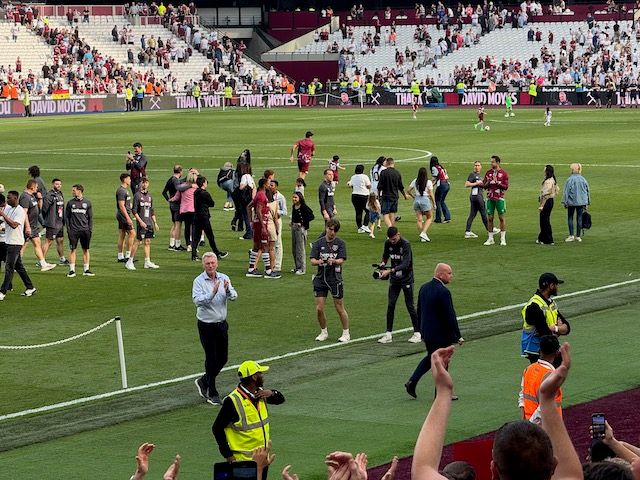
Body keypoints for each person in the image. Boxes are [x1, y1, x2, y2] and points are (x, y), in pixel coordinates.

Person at [411, 344, 583, 480]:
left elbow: (422, 469)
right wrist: (547, 399)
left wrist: (443, 392)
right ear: (554, 465)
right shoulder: (569, 473)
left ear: (493, 470)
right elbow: (572, 474)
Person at [405, 263, 464, 399]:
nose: (451, 276)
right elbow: (449, 315)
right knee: (443, 361)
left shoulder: (424, 288)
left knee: (431, 357)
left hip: (428, 333)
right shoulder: (443, 292)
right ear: (440, 274)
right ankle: (442, 393)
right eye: (449, 273)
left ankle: (412, 382)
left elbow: (419, 310)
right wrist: (458, 335)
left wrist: (420, 329)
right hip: (441, 334)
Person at [212, 361, 285, 467]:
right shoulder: (232, 401)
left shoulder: (260, 394)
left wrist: (272, 393)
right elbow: (217, 428)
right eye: (260, 373)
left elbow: (280, 400)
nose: (263, 376)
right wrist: (228, 455)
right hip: (243, 462)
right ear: (254, 377)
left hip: (261, 460)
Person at [192, 252, 238, 405]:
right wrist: (212, 293)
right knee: (211, 358)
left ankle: (204, 380)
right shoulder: (198, 281)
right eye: (207, 264)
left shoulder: (224, 278)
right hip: (206, 325)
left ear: (216, 263)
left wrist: (227, 291)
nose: (210, 266)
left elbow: (234, 296)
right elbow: (198, 301)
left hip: (221, 324)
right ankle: (212, 391)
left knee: (223, 358)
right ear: (203, 265)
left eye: (212, 263)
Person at [377, 227, 421, 344]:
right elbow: (385, 256)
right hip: (395, 279)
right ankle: (388, 334)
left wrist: (390, 271)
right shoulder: (388, 243)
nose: (392, 241)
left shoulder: (406, 244)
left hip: (406, 279)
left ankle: (417, 333)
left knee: (410, 305)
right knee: (391, 305)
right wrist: (382, 264)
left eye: (394, 239)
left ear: (398, 234)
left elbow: (406, 263)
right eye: (391, 239)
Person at [311, 218, 350, 343]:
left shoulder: (340, 243)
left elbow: (342, 260)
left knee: (339, 307)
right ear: (326, 228)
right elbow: (312, 260)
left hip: (335, 278)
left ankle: (346, 332)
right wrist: (319, 261)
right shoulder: (318, 243)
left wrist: (334, 261)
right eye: (330, 229)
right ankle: (323, 332)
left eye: (334, 230)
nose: (332, 232)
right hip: (320, 278)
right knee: (319, 308)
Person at [521, 272, 570, 362]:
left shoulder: (551, 303)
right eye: (556, 285)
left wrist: (555, 328)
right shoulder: (534, 305)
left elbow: (567, 327)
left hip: (549, 347)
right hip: (537, 350)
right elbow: (544, 332)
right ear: (551, 286)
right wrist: (558, 329)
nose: (557, 288)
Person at [0, 191, 36, 300]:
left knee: (9, 267)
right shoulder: (8, 208)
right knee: (19, 266)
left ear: (15, 198)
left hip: (15, 243)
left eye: (9, 198)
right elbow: (3, 221)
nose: (7, 200)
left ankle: (2, 292)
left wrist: (2, 214)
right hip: (8, 241)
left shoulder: (20, 211)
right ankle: (30, 287)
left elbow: (14, 225)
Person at [519, 335, 562, 424]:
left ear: (540, 349)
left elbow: (522, 397)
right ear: (557, 352)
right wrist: (530, 425)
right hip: (547, 428)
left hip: (529, 425)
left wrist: (524, 423)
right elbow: (544, 408)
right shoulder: (551, 376)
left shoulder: (528, 369)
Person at [19, 180, 56, 271]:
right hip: (27, 226)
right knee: (22, 246)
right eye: (36, 187)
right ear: (32, 187)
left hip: (33, 226)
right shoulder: (24, 197)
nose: (37, 188)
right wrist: (27, 226)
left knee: (37, 243)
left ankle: (43, 264)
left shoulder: (32, 196)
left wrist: (40, 199)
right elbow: (24, 213)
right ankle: (15, 265)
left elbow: (39, 208)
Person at [246, 178, 277, 278]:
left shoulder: (259, 194)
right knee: (265, 246)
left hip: (258, 223)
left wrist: (251, 220)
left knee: (257, 246)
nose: (269, 185)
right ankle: (268, 271)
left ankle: (251, 269)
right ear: (264, 185)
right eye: (268, 183)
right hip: (261, 223)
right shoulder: (261, 195)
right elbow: (258, 211)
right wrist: (263, 226)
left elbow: (248, 206)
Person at [192, 176, 227, 262]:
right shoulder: (205, 193)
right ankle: (217, 252)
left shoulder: (196, 192)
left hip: (196, 216)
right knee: (210, 236)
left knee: (196, 236)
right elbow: (212, 203)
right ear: (203, 183)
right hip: (204, 216)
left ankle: (194, 254)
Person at [130, 177, 160, 269]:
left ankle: (147, 261)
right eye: (143, 182)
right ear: (140, 184)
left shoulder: (150, 196)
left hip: (149, 222)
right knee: (138, 241)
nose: (145, 184)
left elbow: (152, 210)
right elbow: (134, 211)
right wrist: (140, 221)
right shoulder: (137, 195)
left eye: (146, 182)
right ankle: (130, 261)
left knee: (147, 241)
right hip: (141, 222)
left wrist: (155, 222)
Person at [65, 184, 94, 277]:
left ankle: (86, 269)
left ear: (79, 191)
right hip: (73, 231)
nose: (72, 192)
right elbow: (67, 217)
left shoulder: (87, 203)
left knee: (86, 249)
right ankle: (72, 270)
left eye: (74, 190)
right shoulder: (70, 203)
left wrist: (89, 229)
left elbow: (90, 217)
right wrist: (69, 229)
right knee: (72, 249)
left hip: (85, 230)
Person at [482, 155, 509, 246]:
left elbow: (506, 187)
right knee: (490, 218)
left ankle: (502, 238)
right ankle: (490, 238)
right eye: (491, 162)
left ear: (497, 162)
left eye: (492, 162)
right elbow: (484, 186)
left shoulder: (503, 173)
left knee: (501, 218)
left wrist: (497, 183)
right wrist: (489, 182)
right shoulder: (488, 173)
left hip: (500, 198)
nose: (491, 163)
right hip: (490, 198)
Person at [41, 178, 68, 265]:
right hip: (52, 223)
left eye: (60, 184)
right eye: (57, 184)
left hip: (60, 222)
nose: (58, 185)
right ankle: (41, 260)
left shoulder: (60, 194)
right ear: (53, 184)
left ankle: (62, 259)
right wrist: (48, 219)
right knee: (48, 241)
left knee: (60, 240)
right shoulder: (50, 195)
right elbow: (44, 209)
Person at [561, 163, 590, 243]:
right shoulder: (583, 179)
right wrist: (587, 202)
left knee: (570, 217)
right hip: (581, 202)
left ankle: (571, 235)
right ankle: (578, 236)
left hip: (572, 202)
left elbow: (566, 192)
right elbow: (587, 191)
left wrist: (565, 201)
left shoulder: (570, 179)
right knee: (579, 218)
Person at [464, 161, 492, 239]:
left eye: (478, 165)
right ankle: (490, 230)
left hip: (476, 197)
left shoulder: (480, 176)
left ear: (481, 167)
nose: (477, 167)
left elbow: (484, 186)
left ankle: (467, 231)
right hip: (477, 197)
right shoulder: (472, 175)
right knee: (483, 213)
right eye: (475, 165)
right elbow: (466, 184)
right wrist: (477, 183)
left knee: (472, 214)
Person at [406, 167, 434, 242]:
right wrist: (434, 204)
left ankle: (422, 237)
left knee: (419, 220)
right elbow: (431, 194)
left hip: (417, 200)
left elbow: (408, 190)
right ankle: (424, 233)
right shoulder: (428, 182)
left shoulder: (415, 181)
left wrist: (413, 197)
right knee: (429, 217)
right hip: (425, 200)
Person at [290, 191, 314, 275]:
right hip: (294, 228)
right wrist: (292, 222)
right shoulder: (294, 206)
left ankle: (302, 268)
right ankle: (297, 266)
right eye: (293, 197)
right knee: (294, 248)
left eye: (296, 197)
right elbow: (294, 216)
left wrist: (302, 223)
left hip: (301, 229)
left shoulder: (304, 207)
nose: (294, 199)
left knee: (300, 249)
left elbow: (311, 216)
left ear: (300, 198)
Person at [162, 165, 185, 251]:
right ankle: (177, 245)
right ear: (180, 172)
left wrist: (169, 200)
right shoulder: (176, 181)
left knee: (174, 224)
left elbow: (164, 192)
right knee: (178, 224)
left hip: (172, 205)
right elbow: (180, 189)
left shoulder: (170, 180)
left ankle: (171, 244)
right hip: (177, 204)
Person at [377, 158, 407, 227]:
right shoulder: (397, 173)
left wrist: (379, 196)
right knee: (392, 213)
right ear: (393, 163)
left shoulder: (383, 172)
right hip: (395, 196)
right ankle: (392, 231)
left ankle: (390, 229)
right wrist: (404, 195)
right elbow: (401, 187)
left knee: (385, 214)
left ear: (387, 163)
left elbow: (379, 186)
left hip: (386, 196)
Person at [116, 173, 136, 265]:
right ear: (124, 180)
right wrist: (128, 218)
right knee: (132, 233)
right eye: (129, 179)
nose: (130, 180)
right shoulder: (121, 191)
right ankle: (128, 255)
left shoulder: (124, 190)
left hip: (123, 215)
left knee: (122, 235)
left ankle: (120, 256)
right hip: (123, 215)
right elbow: (121, 206)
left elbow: (126, 204)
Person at [537, 165, 559, 245]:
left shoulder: (547, 182)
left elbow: (545, 195)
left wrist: (542, 205)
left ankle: (548, 239)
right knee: (545, 220)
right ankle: (542, 237)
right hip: (550, 201)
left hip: (546, 201)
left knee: (544, 221)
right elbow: (557, 190)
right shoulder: (553, 180)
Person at [347, 164, 371, 233]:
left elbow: (351, 185)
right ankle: (365, 225)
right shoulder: (365, 176)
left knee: (358, 212)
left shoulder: (353, 177)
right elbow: (369, 186)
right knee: (368, 211)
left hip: (354, 195)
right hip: (364, 195)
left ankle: (359, 228)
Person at [271, 180, 287, 273]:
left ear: (276, 187)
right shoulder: (267, 195)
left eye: (272, 185)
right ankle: (271, 264)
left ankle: (277, 265)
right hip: (269, 221)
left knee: (277, 243)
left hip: (277, 221)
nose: (270, 186)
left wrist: (274, 211)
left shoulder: (280, 197)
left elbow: (284, 212)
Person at [430, 156, 451, 224]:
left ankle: (438, 219)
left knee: (437, 201)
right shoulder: (441, 167)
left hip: (441, 185)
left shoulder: (434, 168)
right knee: (442, 201)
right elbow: (446, 177)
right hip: (447, 184)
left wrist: (429, 185)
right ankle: (447, 217)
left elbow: (434, 179)